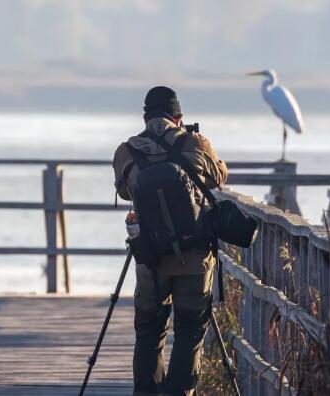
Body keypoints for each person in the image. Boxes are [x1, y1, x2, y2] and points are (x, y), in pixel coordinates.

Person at [113, 86, 228, 396]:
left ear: (145, 117)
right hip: (195, 256)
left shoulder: (128, 151)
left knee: (149, 331)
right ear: (178, 117)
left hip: (150, 257)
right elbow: (219, 177)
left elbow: (125, 192)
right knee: (190, 330)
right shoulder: (196, 143)